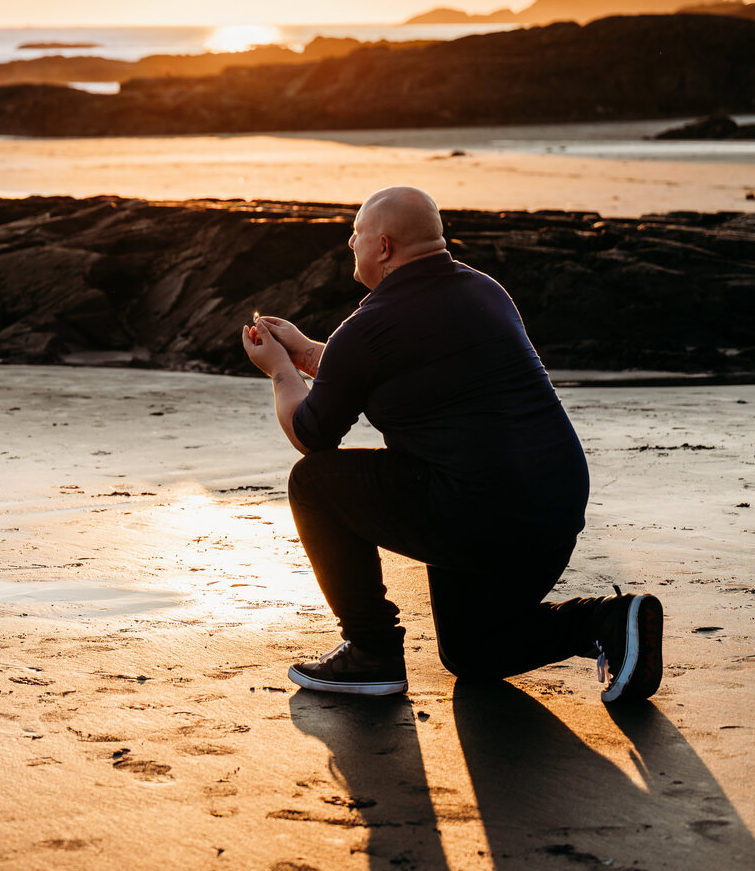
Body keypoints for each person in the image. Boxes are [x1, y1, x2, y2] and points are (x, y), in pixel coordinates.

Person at [240, 185, 663, 702]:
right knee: (473, 653)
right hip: (552, 511)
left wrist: (280, 371)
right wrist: (307, 351)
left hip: (475, 511)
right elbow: (399, 368)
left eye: (357, 235)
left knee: (312, 484)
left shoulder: (368, 326)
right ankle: (610, 620)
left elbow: (311, 433)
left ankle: (370, 650)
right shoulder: (486, 290)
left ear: (385, 247)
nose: (351, 244)